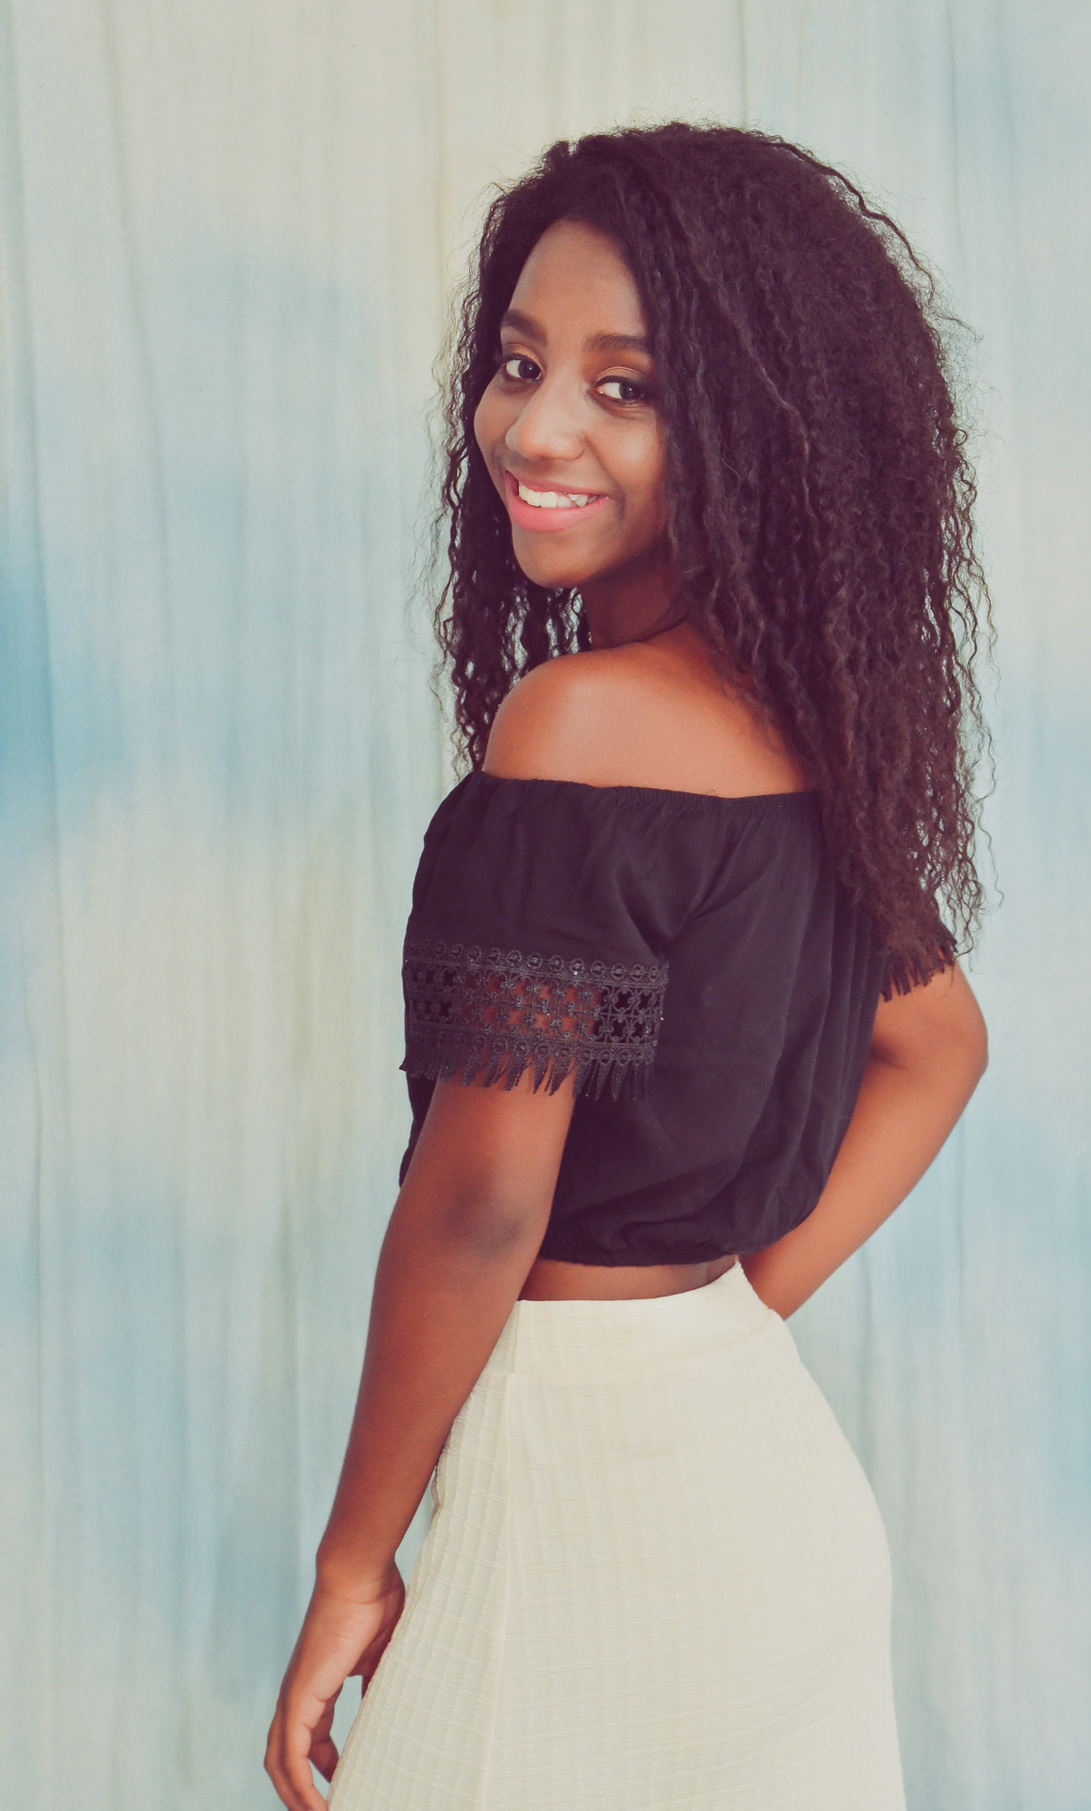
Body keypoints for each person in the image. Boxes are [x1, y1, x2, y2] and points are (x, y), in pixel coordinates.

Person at [265, 122, 991, 1811]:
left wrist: (355, 1565)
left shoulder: (579, 726)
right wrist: (719, 1317)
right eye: (521, 365)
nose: (536, 430)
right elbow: (941, 1044)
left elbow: (480, 1204)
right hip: (762, 1475)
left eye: (625, 388)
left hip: (580, 1493)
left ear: (756, 430)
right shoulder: (803, 733)